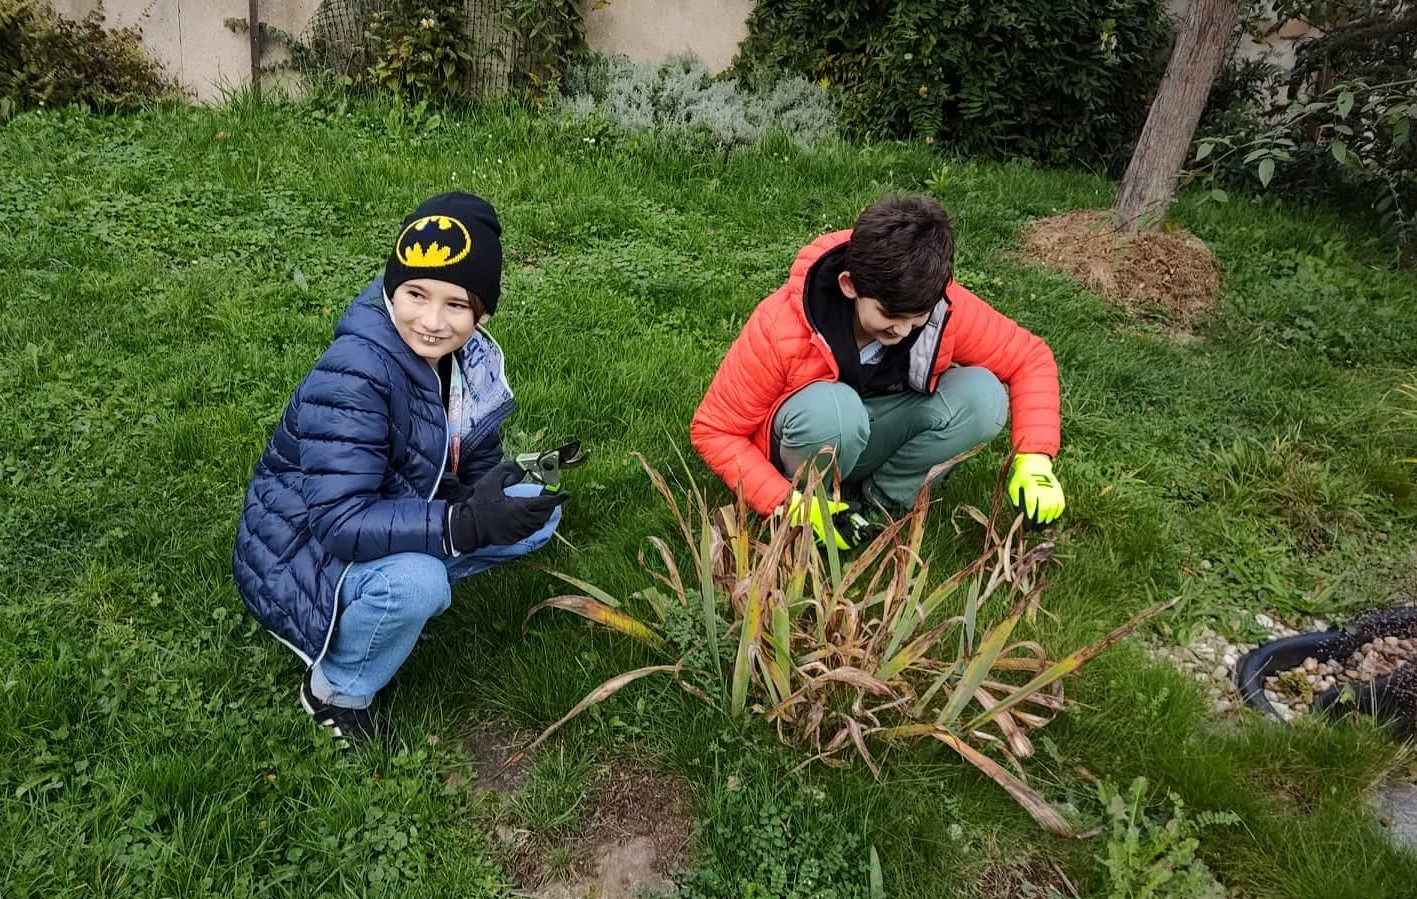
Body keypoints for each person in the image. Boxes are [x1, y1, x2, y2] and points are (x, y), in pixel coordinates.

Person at [233, 192, 566, 747]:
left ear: (482, 313)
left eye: (456, 304)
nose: (432, 322)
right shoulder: (355, 374)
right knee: (417, 584)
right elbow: (338, 522)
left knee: (535, 514)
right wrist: (464, 525)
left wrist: (491, 494)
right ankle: (337, 691)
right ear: (392, 290)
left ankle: (390, 612)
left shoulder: (467, 360)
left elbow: (473, 452)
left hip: (389, 506)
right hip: (297, 551)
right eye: (415, 294)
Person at [690, 193, 1064, 547]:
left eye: (916, 318)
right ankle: (813, 509)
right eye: (888, 314)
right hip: (810, 438)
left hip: (870, 432)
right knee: (835, 412)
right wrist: (787, 504)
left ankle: (881, 505)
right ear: (849, 285)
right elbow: (715, 430)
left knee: (984, 397)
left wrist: (1034, 460)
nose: (901, 330)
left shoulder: (937, 305)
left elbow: (1029, 358)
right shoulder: (779, 325)